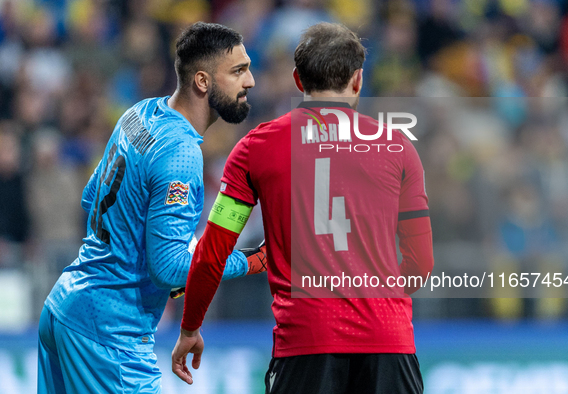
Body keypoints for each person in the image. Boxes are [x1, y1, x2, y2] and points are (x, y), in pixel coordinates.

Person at [172, 22, 434, 393]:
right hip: (388, 342)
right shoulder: (398, 147)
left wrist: (190, 327)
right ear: (358, 80)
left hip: (305, 343)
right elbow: (421, 262)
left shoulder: (254, 148)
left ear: (298, 80)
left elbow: (213, 252)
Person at [38, 22, 266, 394]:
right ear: (203, 81)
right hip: (109, 334)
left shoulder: (140, 113)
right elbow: (169, 268)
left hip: (65, 307)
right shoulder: (182, 153)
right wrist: (252, 260)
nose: (251, 81)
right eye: (239, 71)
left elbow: (90, 194)